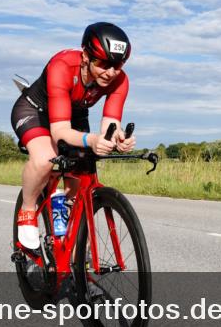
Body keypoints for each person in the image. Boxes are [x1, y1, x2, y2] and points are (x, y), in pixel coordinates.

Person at [10, 22, 136, 250]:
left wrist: (117, 138)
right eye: (104, 64)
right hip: (36, 111)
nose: (111, 72)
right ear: (86, 56)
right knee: (45, 158)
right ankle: (28, 210)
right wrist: (92, 140)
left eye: (118, 65)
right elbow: (59, 132)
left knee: (83, 167)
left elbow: (110, 123)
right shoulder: (62, 66)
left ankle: (64, 214)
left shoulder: (120, 80)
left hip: (75, 113)